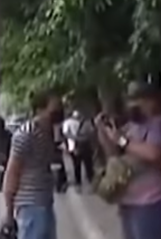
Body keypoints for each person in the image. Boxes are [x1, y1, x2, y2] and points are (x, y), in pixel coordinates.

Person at [96, 81, 161, 239]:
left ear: (150, 101)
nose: (131, 105)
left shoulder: (159, 123)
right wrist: (104, 133)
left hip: (150, 199)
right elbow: (113, 156)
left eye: (136, 100)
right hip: (128, 198)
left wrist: (122, 141)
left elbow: (154, 154)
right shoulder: (131, 126)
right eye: (130, 100)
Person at [2, 90, 64, 239]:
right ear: (40, 109)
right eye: (54, 107)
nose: (59, 111)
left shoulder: (47, 132)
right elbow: (12, 173)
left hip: (46, 203)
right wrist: (9, 213)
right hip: (31, 207)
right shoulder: (25, 134)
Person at [62, 111, 95, 188]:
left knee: (77, 164)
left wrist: (72, 138)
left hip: (75, 145)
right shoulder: (83, 123)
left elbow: (65, 133)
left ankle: (78, 180)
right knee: (88, 164)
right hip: (83, 146)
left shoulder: (67, 122)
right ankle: (90, 179)